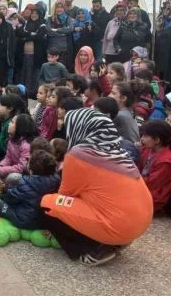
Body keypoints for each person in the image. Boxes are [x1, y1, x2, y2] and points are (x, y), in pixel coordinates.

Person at [39, 108, 154, 266]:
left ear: (79, 127)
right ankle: (114, 241)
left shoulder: (78, 154)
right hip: (141, 221)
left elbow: (66, 193)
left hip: (119, 225)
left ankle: (91, 250)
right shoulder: (117, 151)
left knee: (47, 204)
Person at [0, 150, 60, 230]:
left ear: (31, 170)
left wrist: (7, 189)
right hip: (46, 221)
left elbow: (10, 199)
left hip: (27, 221)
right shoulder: (57, 179)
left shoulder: (25, 183)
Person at [138, 120, 171, 213]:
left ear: (157, 140)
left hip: (156, 196)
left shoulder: (167, 161)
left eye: (145, 136)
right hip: (143, 185)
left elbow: (152, 183)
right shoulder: (147, 149)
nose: (142, 139)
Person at [0, 113, 35, 182]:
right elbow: (8, 157)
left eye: (12, 122)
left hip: (24, 175)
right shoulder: (11, 140)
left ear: (19, 128)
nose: (9, 124)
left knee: (12, 177)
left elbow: (21, 168)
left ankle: (6, 189)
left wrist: (1, 170)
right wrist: (1, 166)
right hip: (13, 168)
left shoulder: (26, 145)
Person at [17, 5, 47, 97]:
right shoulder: (27, 23)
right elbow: (20, 33)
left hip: (35, 55)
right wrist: (30, 34)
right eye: (32, 13)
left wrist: (26, 37)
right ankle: (22, 92)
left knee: (32, 75)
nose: (34, 15)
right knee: (24, 74)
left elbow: (39, 37)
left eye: (36, 13)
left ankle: (30, 93)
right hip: (24, 54)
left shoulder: (42, 25)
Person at [47, 0, 75, 68]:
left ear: (64, 8)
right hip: (52, 48)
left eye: (61, 7)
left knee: (63, 68)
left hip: (64, 49)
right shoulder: (50, 19)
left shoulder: (68, 18)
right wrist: (63, 33)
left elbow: (70, 29)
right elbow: (49, 31)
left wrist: (56, 30)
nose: (59, 9)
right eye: (57, 7)